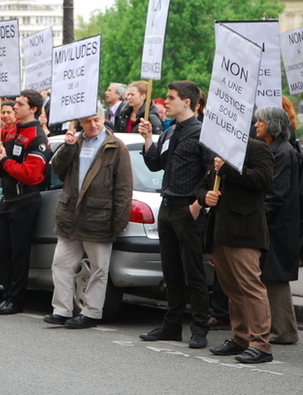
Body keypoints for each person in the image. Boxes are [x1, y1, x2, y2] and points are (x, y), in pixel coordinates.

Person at [43, 109, 132, 329]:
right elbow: (57, 169)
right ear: (80, 122)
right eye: (87, 121)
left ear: (103, 119)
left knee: (98, 268)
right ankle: (61, 310)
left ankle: (91, 312)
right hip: (70, 213)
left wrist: (120, 220)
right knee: (61, 264)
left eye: (96, 120)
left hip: (99, 215)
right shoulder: (76, 141)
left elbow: (123, 187)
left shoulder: (116, 146)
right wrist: (68, 146)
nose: (92, 124)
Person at [138, 81, 210, 349]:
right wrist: (147, 139)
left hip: (187, 209)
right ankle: (171, 325)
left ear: (187, 102)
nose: (165, 102)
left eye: (170, 98)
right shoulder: (170, 132)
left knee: (194, 273)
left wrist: (199, 204)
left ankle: (200, 328)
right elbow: (155, 164)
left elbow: (211, 171)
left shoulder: (202, 133)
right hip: (166, 208)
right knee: (171, 272)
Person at [199, 138, 275, 364]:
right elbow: (203, 184)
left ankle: (261, 343)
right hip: (220, 233)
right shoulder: (220, 149)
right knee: (232, 289)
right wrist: (205, 197)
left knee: (251, 287)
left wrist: (228, 170)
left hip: (245, 232)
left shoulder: (257, 148)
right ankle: (241, 337)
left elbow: (263, 179)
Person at [0, 89, 50, 315]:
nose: (15, 107)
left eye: (20, 104)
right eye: (16, 102)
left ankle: (16, 299)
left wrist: (4, 161)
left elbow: (31, 174)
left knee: (19, 252)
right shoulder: (10, 129)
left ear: (33, 109)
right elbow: (0, 170)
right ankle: (7, 294)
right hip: (7, 199)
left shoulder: (38, 136)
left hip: (25, 200)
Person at [254, 107, 302, 345]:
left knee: (275, 277)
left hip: (278, 225)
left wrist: (260, 217)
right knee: (270, 275)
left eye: (260, 121)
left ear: (272, 124)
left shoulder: (282, 152)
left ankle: (283, 331)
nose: (256, 125)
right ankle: (278, 328)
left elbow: (277, 193)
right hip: (275, 223)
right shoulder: (276, 149)